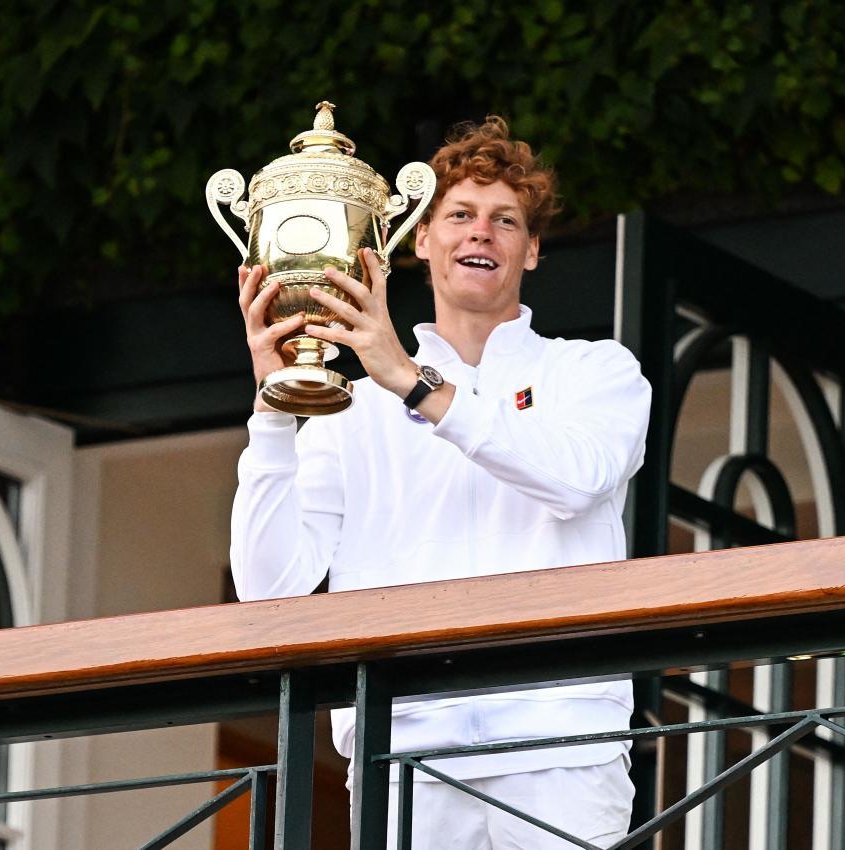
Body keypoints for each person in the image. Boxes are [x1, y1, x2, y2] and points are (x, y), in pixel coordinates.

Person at [230, 117, 651, 849]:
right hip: (404, 742)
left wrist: (412, 384)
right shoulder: (351, 410)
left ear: (532, 249)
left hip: (559, 735)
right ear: (416, 241)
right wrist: (271, 409)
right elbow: (270, 592)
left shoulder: (594, 370)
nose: (479, 234)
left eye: (504, 220)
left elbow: (575, 481)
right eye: (458, 215)